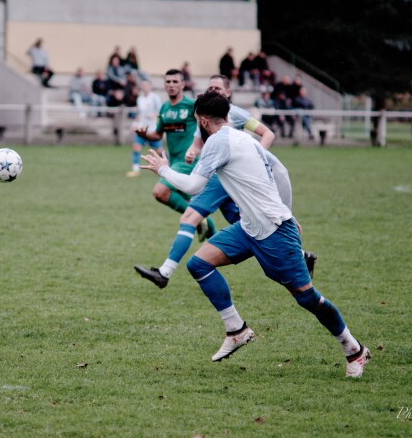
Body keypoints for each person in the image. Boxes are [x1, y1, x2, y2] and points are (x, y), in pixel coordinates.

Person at [139, 91, 370, 377]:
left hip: (274, 231)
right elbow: (280, 170)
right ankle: (236, 329)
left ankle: (354, 350)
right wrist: (287, 208)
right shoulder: (242, 137)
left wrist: (163, 169)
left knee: (306, 297)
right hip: (249, 227)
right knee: (198, 264)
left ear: (201, 120)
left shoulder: (219, 141)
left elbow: (193, 186)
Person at [135, 75, 316, 286]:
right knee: (247, 226)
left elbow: (267, 134)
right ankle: (301, 255)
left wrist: (254, 157)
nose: (213, 90)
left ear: (228, 93)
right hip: (219, 175)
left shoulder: (235, 113)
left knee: (189, 217)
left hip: (222, 178)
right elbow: (198, 144)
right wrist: (192, 152)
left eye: (218, 88)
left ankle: (164, 273)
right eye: (210, 87)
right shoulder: (206, 115)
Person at [134, 69, 212, 239]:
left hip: (188, 160)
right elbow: (158, 134)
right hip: (173, 160)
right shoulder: (164, 108)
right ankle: (211, 232)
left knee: (160, 192)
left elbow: (207, 126)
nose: (171, 85)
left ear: (183, 84)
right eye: (168, 82)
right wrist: (144, 135)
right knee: (193, 202)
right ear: (164, 85)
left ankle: (198, 219)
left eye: (175, 81)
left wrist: (198, 148)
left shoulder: (192, 105)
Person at [126, 80, 163, 176]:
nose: (145, 87)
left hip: (152, 129)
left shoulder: (155, 98)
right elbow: (139, 114)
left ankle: (168, 166)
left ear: (150, 86)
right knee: (136, 147)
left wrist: (154, 115)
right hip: (141, 129)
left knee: (159, 151)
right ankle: (135, 170)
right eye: (143, 85)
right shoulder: (140, 99)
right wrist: (134, 124)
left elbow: (161, 113)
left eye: (146, 85)